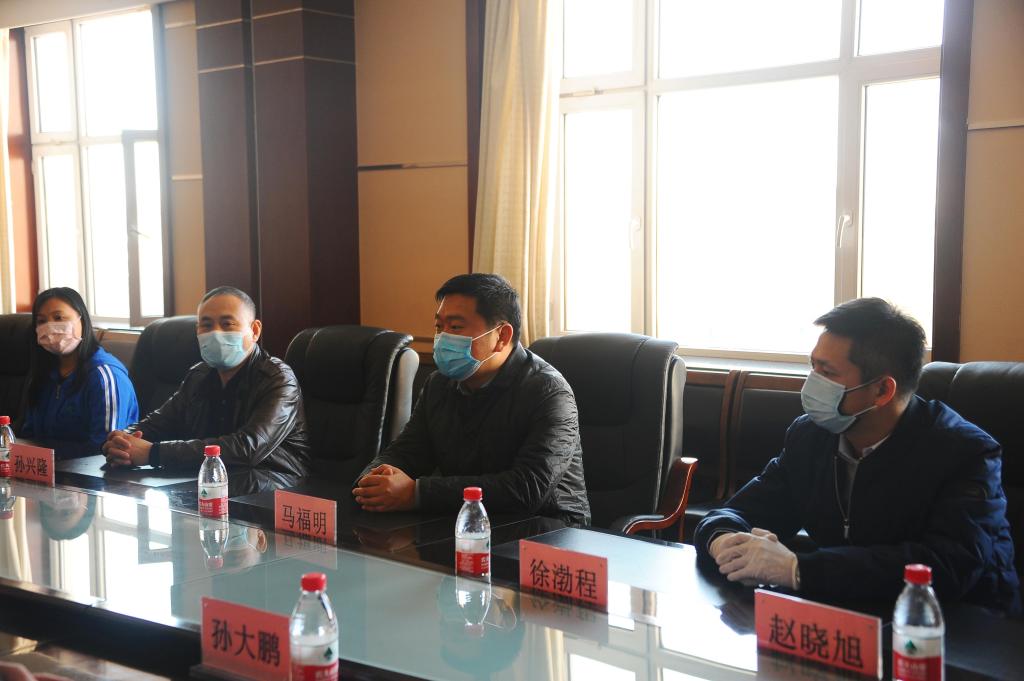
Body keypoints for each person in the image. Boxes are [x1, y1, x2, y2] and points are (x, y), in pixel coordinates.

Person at [695, 298, 1020, 613]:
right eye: (813, 366)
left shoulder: (965, 452)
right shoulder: (810, 437)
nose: (811, 382)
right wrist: (722, 539)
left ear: (882, 390)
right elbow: (737, 512)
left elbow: (949, 566)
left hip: (962, 625)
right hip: (848, 613)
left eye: (827, 372)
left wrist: (798, 569)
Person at [352, 273, 590, 525]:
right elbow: (407, 452)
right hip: (467, 522)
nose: (443, 338)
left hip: (548, 530)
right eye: (439, 327)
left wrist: (417, 493)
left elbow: (527, 488)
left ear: (502, 336)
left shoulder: (549, 392)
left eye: (455, 327)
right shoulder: (439, 384)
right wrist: (372, 481)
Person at [101, 286, 311, 475]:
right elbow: (158, 422)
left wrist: (153, 453)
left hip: (272, 484)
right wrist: (123, 441)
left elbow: (247, 448)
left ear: (255, 330)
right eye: (207, 325)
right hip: (206, 479)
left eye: (227, 324)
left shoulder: (278, 379)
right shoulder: (199, 375)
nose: (216, 333)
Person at [21, 288, 139, 452]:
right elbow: (29, 435)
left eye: (58, 317)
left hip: (89, 467)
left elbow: (105, 447)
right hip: (45, 465)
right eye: (41, 321)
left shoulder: (104, 375)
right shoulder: (44, 374)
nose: (49, 326)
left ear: (81, 320)